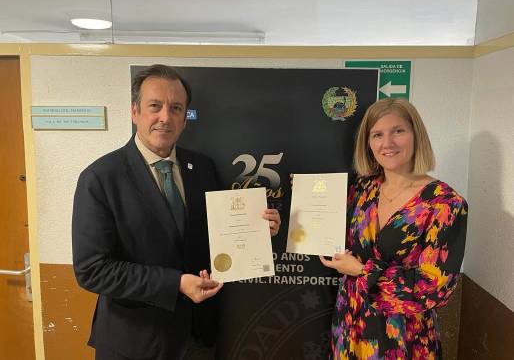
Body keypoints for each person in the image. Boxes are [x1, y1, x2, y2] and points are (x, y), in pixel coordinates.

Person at [72, 64, 281, 360]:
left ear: (185, 119)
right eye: (155, 106)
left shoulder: (203, 168)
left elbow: (219, 232)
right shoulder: (101, 178)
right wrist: (175, 284)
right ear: (135, 112)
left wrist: (258, 229)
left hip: (197, 339)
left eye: (176, 108)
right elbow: (91, 270)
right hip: (134, 343)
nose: (165, 117)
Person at [319, 98, 467, 359]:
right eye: (377, 135)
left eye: (398, 131)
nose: (387, 143)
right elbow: (328, 229)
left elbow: (435, 288)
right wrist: (298, 210)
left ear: (415, 135)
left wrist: (362, 271)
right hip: (350, 325)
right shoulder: (363, 189)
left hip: (404, 337)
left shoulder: (445, 203)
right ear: (368, 143)